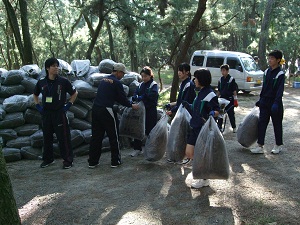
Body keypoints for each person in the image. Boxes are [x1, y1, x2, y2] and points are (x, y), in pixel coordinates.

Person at [88, 63, 139, 168]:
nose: (123, 76)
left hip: (96, 109)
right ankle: (115, 161)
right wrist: (131, 105)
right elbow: (122, 98)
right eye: (123, 73)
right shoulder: (116, 82)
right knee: (114, 136)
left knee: (96, 137)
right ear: (118, 72)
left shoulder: (103, 80)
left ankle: (93, 162)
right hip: (106, 110)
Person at [33, 57, 78, 169]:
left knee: (63, 138)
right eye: (53, 66)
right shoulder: (41, 82)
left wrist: (68, 105)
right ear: (47, 68)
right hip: (46, 114)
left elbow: (74, 93)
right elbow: (35, 94)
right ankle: (48, 159)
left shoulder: (63, 81)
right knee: (47, 137)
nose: (56, 68)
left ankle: (68, 160)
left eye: (57, 65)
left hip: (59, 113)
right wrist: (38, 105)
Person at [182, 68, 220, 189]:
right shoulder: (200, 92)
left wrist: (213, 113)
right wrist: (187, 106)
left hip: (203, 129)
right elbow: (196, 109)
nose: (194, 80)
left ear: (202, 79)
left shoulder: (210, 94)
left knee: (200, 154)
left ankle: (203, 179)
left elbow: (217, 110)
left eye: (196, 78)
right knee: (189, 152)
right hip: (195, 126)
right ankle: (202, 173)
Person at [251, 50, 285, 154]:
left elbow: (280, 90)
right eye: (269, 58)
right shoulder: (266, 72)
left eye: (272, 58)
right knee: (262, 123)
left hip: (275, 103)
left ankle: (278, 145)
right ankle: (260, 146)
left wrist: (276, 103)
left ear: (278, 60)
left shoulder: (280, 73)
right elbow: (264, 87)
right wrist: (260, 100)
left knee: (277, 124)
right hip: (265, 102)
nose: (269, 60)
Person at [165, 62, 196, 164]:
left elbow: (184, 102)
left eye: (181, 71)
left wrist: (173, 110)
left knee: (184, 135)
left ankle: (187, 157)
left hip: (186, 114)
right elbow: (180, 101)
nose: (179, 73)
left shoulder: (189, 85)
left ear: (187, 72)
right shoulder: (183, 83)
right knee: (179, 135)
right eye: (178, 70)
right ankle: (180, 156)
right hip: (181, 113)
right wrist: (171, 105)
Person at [130, 66, 159, 157]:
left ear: (150, 76)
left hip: (150, 111)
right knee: (138, 129)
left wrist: (142, 97)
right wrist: (135, 97)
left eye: (145, 76)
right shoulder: (141, 84)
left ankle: (151, 149)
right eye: (142, 76)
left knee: (150, 130)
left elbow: (152, 96)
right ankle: (137, 149)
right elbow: (136, 92)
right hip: (140, 111)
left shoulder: (153, 85)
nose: (144, 78)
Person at [216, 64, 238, 133]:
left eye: (224, 70)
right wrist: (216, 98)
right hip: (222, 99)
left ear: (227, 71)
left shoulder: (231, 79)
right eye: (222, 71)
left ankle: (234, 127)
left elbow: (234, 91)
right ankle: (219, 127)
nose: (223, 72)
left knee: (231, 114)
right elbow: (219, 90)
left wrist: (235, 100)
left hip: (229, 99)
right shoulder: (220, 79)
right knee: (220, 113)